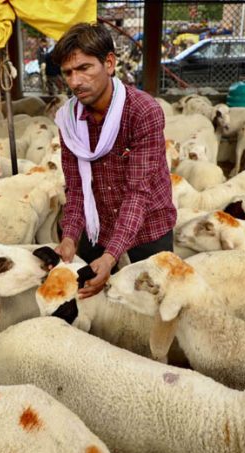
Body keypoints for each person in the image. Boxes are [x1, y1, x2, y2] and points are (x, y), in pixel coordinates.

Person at [52, 22, 176, 299]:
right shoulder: (68, 121)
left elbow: (138, 193)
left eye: (84, 68)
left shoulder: (142, 112)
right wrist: (70, 236)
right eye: (68, 73)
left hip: (148, 227)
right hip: (99, 227)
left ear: (109, 63)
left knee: (156, 300)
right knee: (91, 302)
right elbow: (75, 189)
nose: (75, 82)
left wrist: (110, 258)